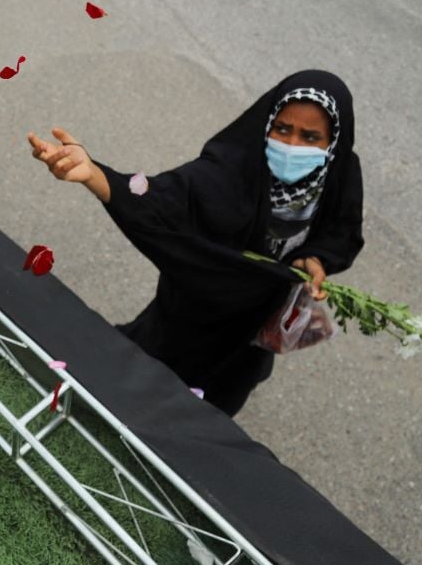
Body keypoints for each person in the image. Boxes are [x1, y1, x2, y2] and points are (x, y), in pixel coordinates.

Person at [27, 70, 363, 416]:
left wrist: (315, 259)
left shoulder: (339, 175)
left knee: (217, 404)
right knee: (144, 375)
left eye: (310, 137)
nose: (292, 146)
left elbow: (342, 231)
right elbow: (161, 202)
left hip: (254, 328)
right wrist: (95, 175)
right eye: (282, 129)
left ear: (333, 142)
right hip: (195, 309)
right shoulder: (229, 169)